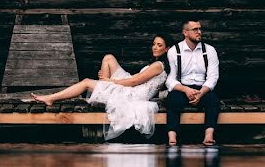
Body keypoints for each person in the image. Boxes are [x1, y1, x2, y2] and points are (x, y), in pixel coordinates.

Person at [31, 35, 171, 140]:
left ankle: (51, 98)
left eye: (159, 45)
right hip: (132, 88)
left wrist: (110, 82)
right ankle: (101, 92)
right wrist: (108, 81)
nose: (155, 47)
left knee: (86, 82)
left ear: (167, 49)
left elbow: (134, 81)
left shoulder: (158, 66)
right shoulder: (156, 64)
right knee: (108, 58)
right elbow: (135, 78)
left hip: (133, 94)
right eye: (154, 44)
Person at [165, 19, 220, 146]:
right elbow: (170, 79)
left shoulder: (209, 50)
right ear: (185, 32)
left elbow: (213, 77)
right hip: (183, 87)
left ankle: (208, 135)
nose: (199, 32)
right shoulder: (175, 51)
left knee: (213, 101)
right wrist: (186, 89)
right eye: (195, 29)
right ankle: (172, 136)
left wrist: (201, 93)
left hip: (203, 88)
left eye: (200, 29)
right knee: (172, 100)